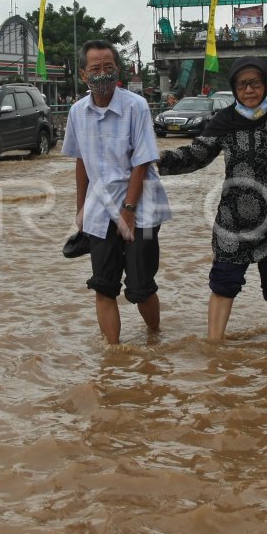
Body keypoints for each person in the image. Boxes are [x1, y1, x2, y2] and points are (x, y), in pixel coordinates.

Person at [158, 57, 267, 344]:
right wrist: (154, 160)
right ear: (234, 88)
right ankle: (214, 350)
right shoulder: (223, 121)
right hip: (232, 219)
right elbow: (197, 155)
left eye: (255, 83)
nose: (249, 89)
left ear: (266, 85)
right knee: (222, 284)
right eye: (242, 84)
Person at [62, 39, 171, 345]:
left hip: (143, 208)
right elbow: (81, 162)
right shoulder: (77, 112)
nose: (102, 75)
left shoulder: (136, 106)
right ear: (84, 75)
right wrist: (81, 209)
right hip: (100, 209)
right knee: (103, 285)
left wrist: (129, 211)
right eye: (95, 69)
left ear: (118, 70)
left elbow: (141, 161)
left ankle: (155, 339)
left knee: (139, 286)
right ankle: (113, 357)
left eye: (108, 68)